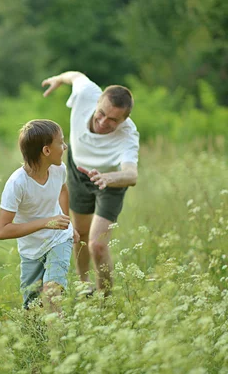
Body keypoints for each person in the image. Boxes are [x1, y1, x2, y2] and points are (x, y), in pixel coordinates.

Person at [41, 71, 139, 296]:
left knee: (98, 245)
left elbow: (131, 175)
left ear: (124, 120)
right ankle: (84, 285)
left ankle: (106, 301)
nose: (103, 122)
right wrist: (58, 79)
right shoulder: (86, 93)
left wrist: (108, 178)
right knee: (80, 233)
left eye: (113, 120)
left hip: (110, 181)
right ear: (97, 102)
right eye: (101, 114)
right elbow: (75, 75)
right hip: (79, 171)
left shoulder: (128, 135)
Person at [0, 120, 79, 310]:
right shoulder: (17, 183)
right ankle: (37, 338)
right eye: (61, 142)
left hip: (58, 239)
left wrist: (65, 223)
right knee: (32, 309)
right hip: (31, 250)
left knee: (51, 293)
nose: (65, 147)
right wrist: (46, 222)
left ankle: (58, 340)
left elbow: (63, 191)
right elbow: (2, 230)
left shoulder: (59, 170)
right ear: (46, 151)